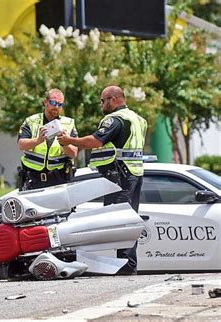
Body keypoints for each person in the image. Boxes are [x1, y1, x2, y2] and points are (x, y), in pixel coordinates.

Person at [58, 85, 147, 275]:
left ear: (113, 99)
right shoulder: (137, 118)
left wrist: (69, 140)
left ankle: (126, 265)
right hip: (135, 173)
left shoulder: (115, 119)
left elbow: (95, 141)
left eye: (102, 100)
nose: (101, 104)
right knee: (129, 220)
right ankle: (129, 264)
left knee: (121, 221)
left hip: (120, 175)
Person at [17, 88, 79, 190]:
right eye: (53, 102)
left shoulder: (68, 124)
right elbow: (21, 144)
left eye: (60, 104)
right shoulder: (31, 121)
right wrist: (38, 140)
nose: (56, 107)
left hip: (59, 179)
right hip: (33, 179)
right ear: (45, 102)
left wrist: (64, 143)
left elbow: (73, 153)